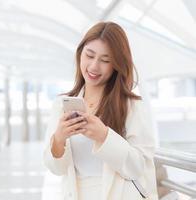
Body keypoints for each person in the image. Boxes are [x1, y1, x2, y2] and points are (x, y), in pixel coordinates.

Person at [43, 22, 159, 200]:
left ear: (117, 65)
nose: (94, 66)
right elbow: (56, 169)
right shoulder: (61, 105)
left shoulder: (131, 105)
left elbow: (139, 166)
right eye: (89, 55)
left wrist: (104, 136)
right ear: (80, 54)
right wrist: (59, 139)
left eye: (105, 60)